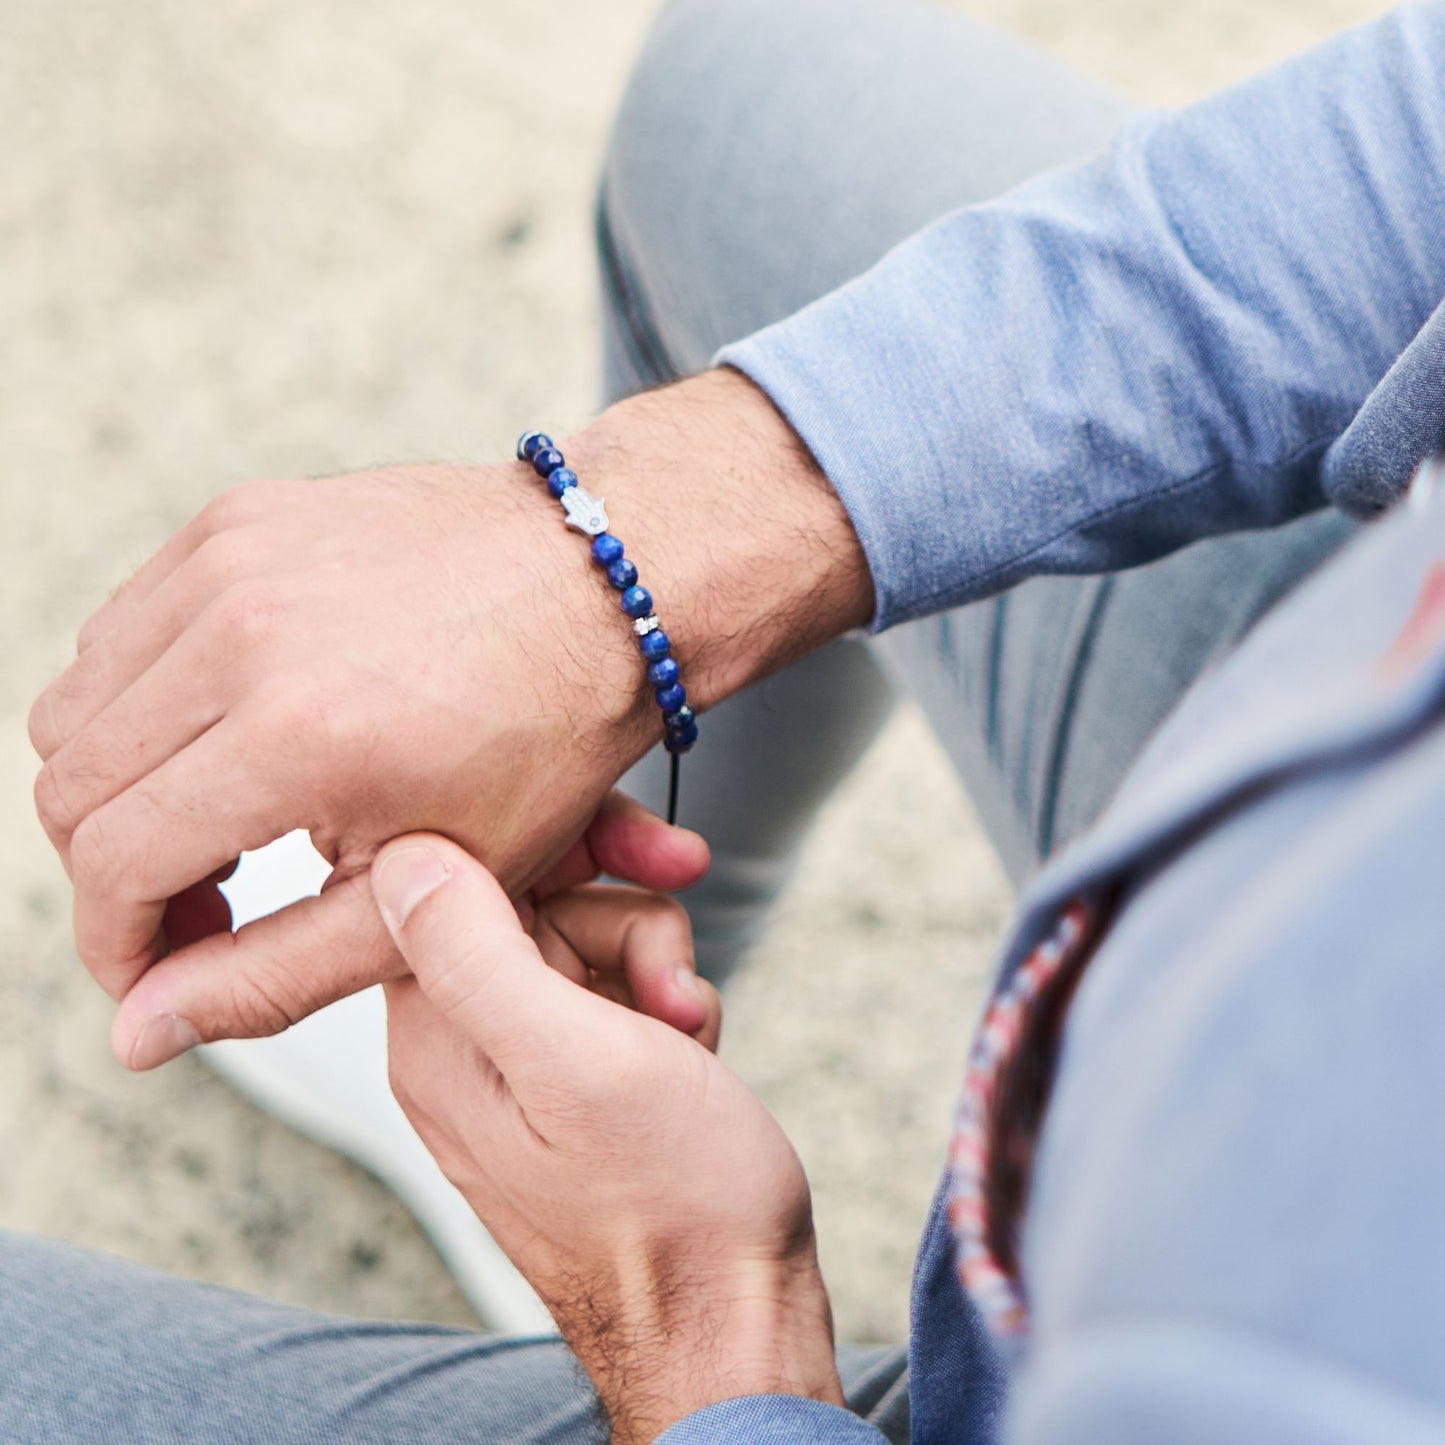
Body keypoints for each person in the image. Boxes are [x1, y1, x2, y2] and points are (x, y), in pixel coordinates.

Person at [14, 0, 1445, 1440]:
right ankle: (576, 1067)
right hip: (1327, 764)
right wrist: (622, 553)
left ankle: (609, 1214)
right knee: (747, 98)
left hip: (1176, 1322)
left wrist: (703, 1327)